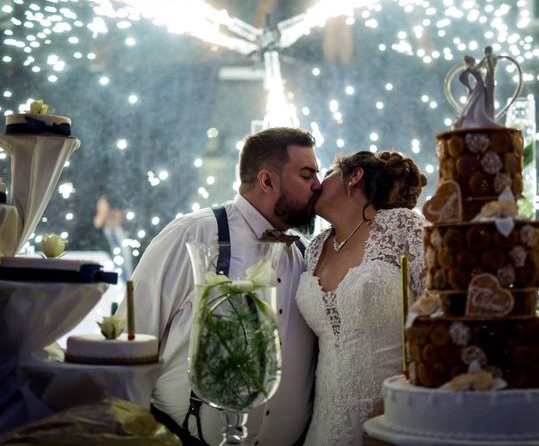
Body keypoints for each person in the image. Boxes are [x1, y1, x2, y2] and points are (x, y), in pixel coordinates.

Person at [117, 127, 321, 445]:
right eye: (307, 175)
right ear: (268, 181)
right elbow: (132, 343)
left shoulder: (307, 256)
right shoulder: (192, 235)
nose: (318, 186)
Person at [295, 150, 427, 446]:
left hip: (391, 419)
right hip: (323, 427)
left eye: (326, 174)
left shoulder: (403, 227)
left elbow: (442, 314)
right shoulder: (314, 248)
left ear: (354, 176)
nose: (316, 184)